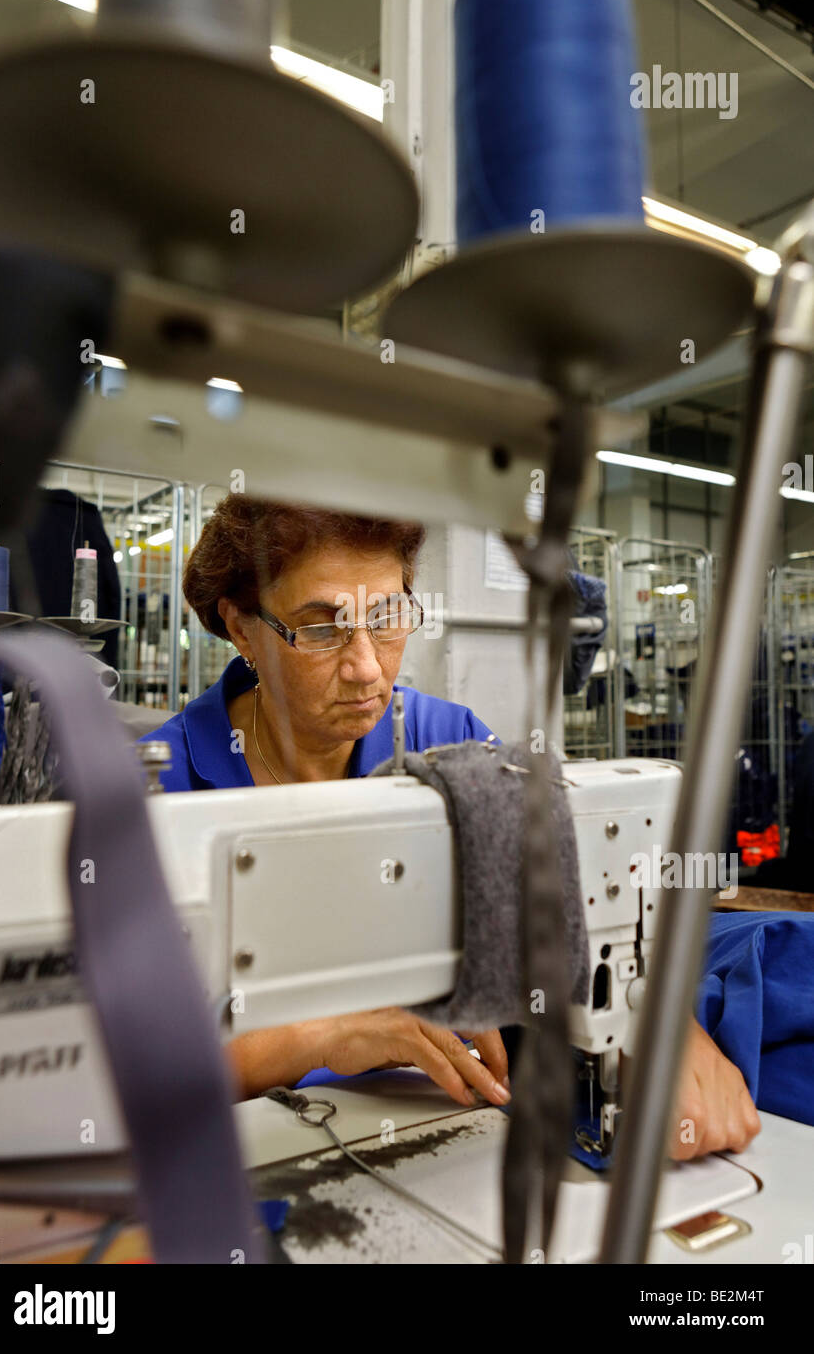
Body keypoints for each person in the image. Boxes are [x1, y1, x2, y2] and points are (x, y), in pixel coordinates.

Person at [142, 493, 760, 1161]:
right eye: (321, 628)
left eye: (387, 617)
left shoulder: (452, 744)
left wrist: (664, 1028)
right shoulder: (152, 790)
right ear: (241, 628)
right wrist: (316, 1033)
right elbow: (109, 1066)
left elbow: (572, 908)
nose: (367, 667)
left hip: (440, 1127)